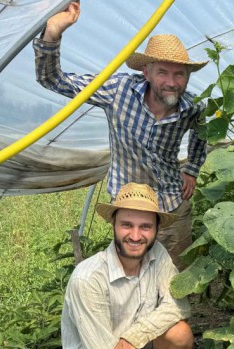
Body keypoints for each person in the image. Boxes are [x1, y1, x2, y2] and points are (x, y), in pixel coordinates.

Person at [35, 2, 208, 266]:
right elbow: (54, 80)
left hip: (172, 202)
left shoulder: (192, 107)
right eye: (163, 72)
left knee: (176, 275)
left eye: (179, 74)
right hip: (130, 207)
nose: (172, 82)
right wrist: (53, 34)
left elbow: (202, 132)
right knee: (131, 276)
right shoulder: (118, 92)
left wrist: (192, 169)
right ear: (146, 72)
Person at [58, 183, 207, 349]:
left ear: (156, 229)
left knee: (180, 332)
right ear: (114, 225)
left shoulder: (157, 254)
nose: (136, 235)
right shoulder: (88, 278)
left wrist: (132, 338)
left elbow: (178, 306)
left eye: (145, 227)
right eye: (127, 225)